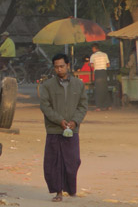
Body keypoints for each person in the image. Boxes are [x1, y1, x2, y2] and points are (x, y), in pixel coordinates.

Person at [39, 53, 88, 202]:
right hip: (54, 130)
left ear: (68, 66)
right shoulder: (47, 86)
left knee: (73, 160)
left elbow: (83, 105)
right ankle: (58, 192)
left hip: (72, 130)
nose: (59, 69)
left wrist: (75, 121)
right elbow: (45, 107)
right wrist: (59, 120)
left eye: (62, 66)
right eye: (56, 67)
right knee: (54, 162)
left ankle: (71, 189)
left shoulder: (78, 85)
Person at [90, 43, 111, 111]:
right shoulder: (105, 54)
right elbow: (108, 65)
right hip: (104, 72)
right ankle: (108, 105)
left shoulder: (93, 56)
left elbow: (92, 65)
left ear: (94, 48)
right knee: (105, 88)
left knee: (98, 89)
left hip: (98, 73)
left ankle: (98, 106)